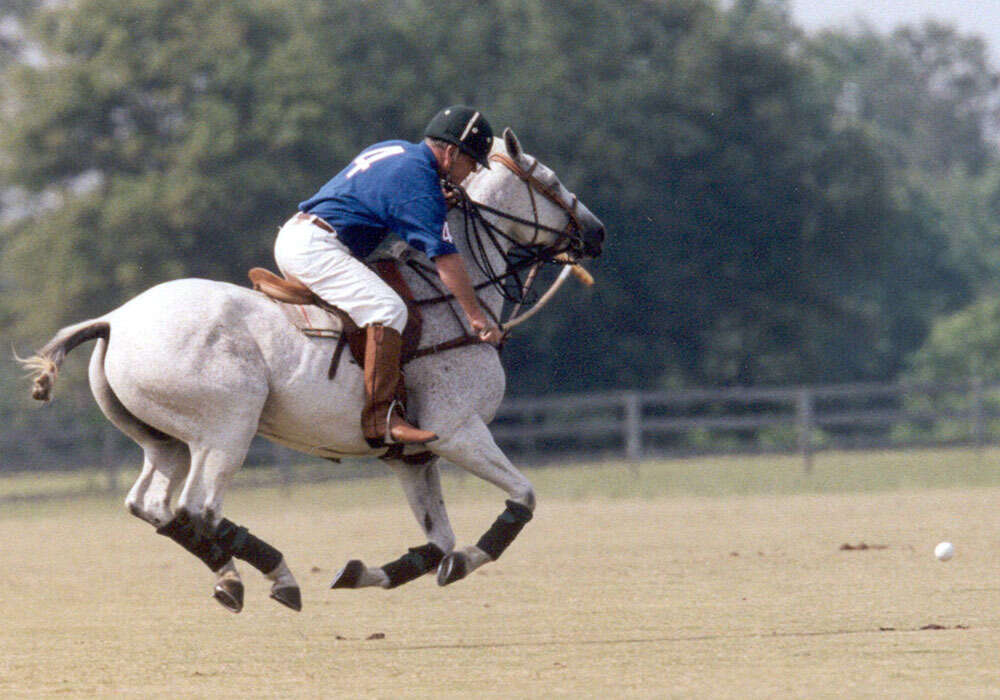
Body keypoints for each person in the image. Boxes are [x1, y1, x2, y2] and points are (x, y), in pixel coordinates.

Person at [274, 105, 504, 447]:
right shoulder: (418, 182)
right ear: (451, 152)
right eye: (470, 163)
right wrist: (477, 318)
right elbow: (446, 259)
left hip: (300, 233)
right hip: (316, 248)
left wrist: (433, 199)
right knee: (389, 309)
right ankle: (382, 419)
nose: (469, 174)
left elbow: (384, 198)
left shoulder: (397, 149)